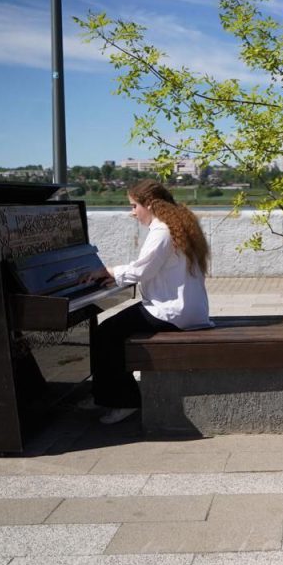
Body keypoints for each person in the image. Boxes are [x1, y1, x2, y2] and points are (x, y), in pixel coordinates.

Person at [85, 179, 212, 425]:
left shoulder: (162, 231)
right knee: (111, 331)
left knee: (105, 334)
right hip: (188, 310)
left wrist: (108, 272)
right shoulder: (176, 225)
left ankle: (125, 401)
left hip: (171, 312)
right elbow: (150, 270)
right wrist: (116, 278)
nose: (132, 213)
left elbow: (141, 271)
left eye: (134, 206)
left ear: (150, 205)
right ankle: (102, 395)